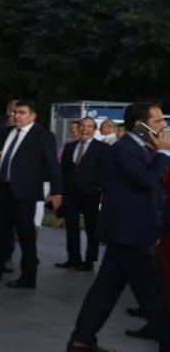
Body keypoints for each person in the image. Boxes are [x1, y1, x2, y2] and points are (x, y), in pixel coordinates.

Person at [67, 101, 170, 352]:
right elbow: (146, 181)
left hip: (130, 231)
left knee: (107, 289)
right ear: (140, 124)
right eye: (158, 121)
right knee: (152, 291)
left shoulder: (140, 148)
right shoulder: (124, 149)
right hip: (129, 232)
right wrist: (164, 154)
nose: (163, 126)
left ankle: (83, 337)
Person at [0, 99, 63, 288]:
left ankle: (28, 277)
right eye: (14, 112)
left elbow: (53, 166)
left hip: (25, 193)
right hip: (1, 189)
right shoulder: (4, 132)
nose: (16, 116)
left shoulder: (43, 135)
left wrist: (57, 192)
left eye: (21, 112)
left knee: (26, 236)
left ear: (33, 116)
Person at [56, 116, 103, 271]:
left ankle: (89, 260)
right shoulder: (70, 147)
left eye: (89, 126)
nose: (85, 129)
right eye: (82, 126)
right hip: (71, 193)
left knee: (91, 227)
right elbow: (63, 171)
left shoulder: (102, 148)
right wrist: (59, 191)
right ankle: (73, 258)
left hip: (91, 193)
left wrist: (99, 188)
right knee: (71, 227)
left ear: (94, 130)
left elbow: (106, 171)